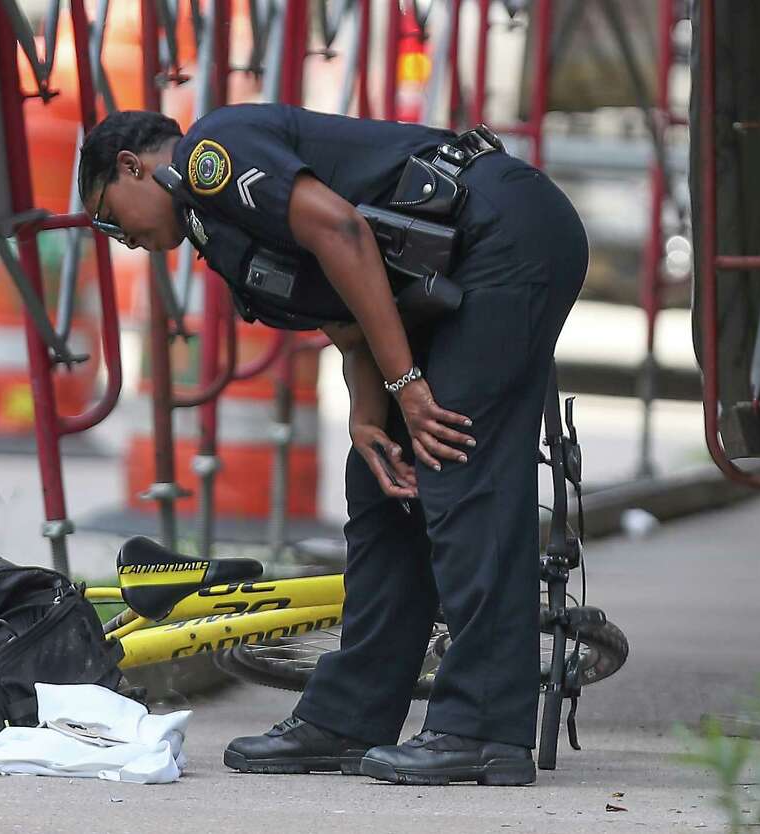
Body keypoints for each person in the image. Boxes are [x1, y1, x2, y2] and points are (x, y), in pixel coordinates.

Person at [78, 103, 588, 787]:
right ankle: (349, 717)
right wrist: (368, 416)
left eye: (110, 218)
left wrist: (407, 382)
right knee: (383, 480)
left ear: (131, 167)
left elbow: (343, 230)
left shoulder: (211, 155)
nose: (125, 241)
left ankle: (483, 729)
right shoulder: (214, 227)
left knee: (456, 463)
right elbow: (344, 317)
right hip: (457, 268)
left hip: (506, 239)